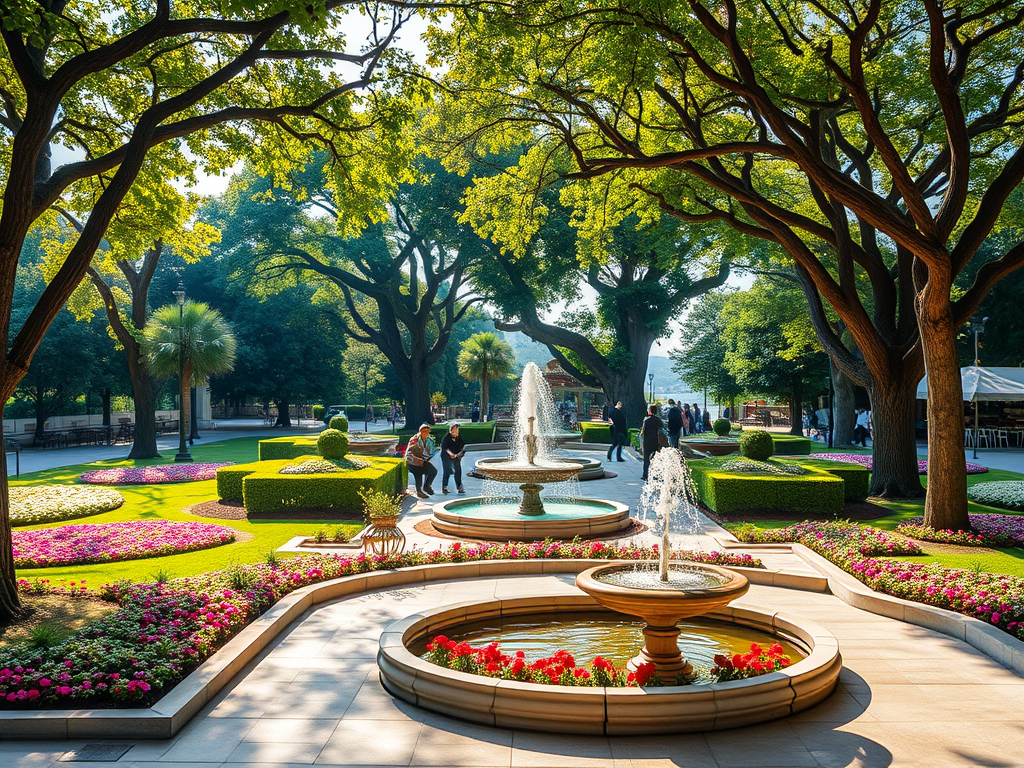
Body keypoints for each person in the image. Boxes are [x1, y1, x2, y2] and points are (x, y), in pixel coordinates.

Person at [405, 424, 437, 499]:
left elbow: (429, 452)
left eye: (428, 432)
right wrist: (419, 459)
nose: (426, 433)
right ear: (420, 432)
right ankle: (419, 491)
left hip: (421, 461)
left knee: (433, 471)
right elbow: (410, 453)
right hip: (412, 461)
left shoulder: (428, 440)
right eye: (424, 431)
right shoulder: (414, 439)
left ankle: (427, 486)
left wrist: (427, 456)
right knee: (418, 472)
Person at [440, 423, 466, 494]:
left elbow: (463, 447)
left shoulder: (459, 437)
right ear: (450, 431)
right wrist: (451, 454)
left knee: (458, 471)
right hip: (446, 457)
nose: (455, 433)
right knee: (447, 471)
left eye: (456, 431)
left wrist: (459, 454)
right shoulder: (447, 438)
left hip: (456, 456)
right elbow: (445, 448)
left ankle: (459, 487)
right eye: (453, 431)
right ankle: (444, 487)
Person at [641, 404, 664, 481]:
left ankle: (645, 475)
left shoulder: (646, 420)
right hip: (655, 441)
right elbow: (662, 427)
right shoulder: (657, 420)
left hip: (647, 441)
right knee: (654, 459)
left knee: (646, 459)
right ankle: (655, 474)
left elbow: (643, 432)